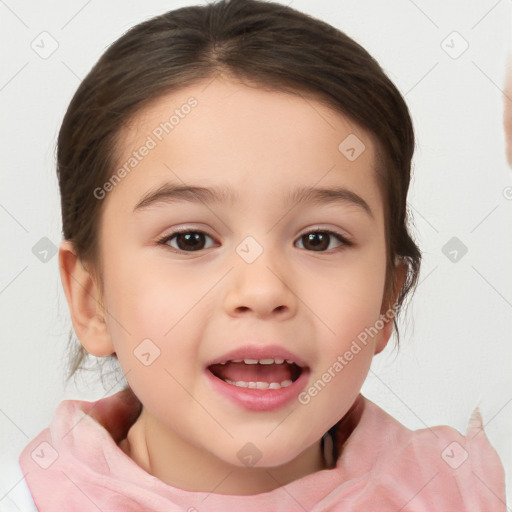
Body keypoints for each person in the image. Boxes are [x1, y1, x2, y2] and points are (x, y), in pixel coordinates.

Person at [9, 0, 507, 510]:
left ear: (387, 298)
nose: (263, 290)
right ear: (90, 299)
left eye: (319, 239)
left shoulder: (471, 491)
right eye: (190, 239)